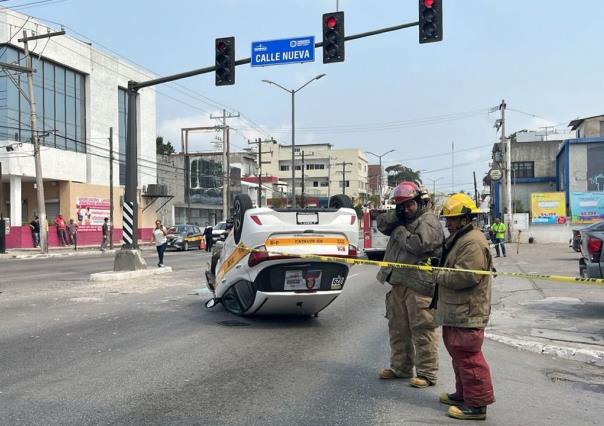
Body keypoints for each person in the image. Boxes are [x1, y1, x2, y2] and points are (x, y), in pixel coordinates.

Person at [375, 181, 444, 388]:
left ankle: (427, 373)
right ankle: (401, 367)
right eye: (401, 206)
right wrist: (397, 214)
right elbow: (381, 224)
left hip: (419, 285)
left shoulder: (428, 220)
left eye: (408, 205)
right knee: (397, 328)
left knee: (422, 329)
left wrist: (399, 231)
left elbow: (420, 245)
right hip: (398, 282)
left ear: (420, 201)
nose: (406, 209)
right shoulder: (403, 216)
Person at [433, 193, 495, 421]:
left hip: (467, 310)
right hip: (457, 309)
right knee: (458, 354)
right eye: (447, 219)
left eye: (452, 219)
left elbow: (466, 276)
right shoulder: (462, 238)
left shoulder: (473, 242)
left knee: (468, 357)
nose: (448, 223)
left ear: (466, 218)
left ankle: (477, 405)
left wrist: (436, 274)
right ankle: (464, 394)